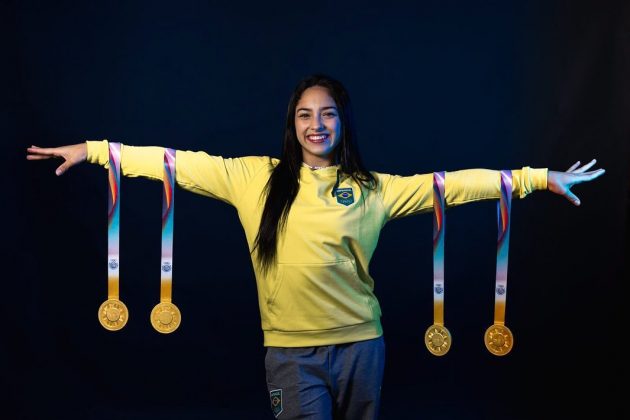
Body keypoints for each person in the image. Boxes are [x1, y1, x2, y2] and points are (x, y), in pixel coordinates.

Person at [26, 74, 605, 419]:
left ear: (342, 123)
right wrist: (94, 149)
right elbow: (173, 164)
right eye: (305, 115)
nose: (315, 124)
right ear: (292, 124)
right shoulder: (252, 178)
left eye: (327, 114)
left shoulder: (372, 191)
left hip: (362, 348)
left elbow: (452, 186)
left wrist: (537, 177)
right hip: (290, 355)